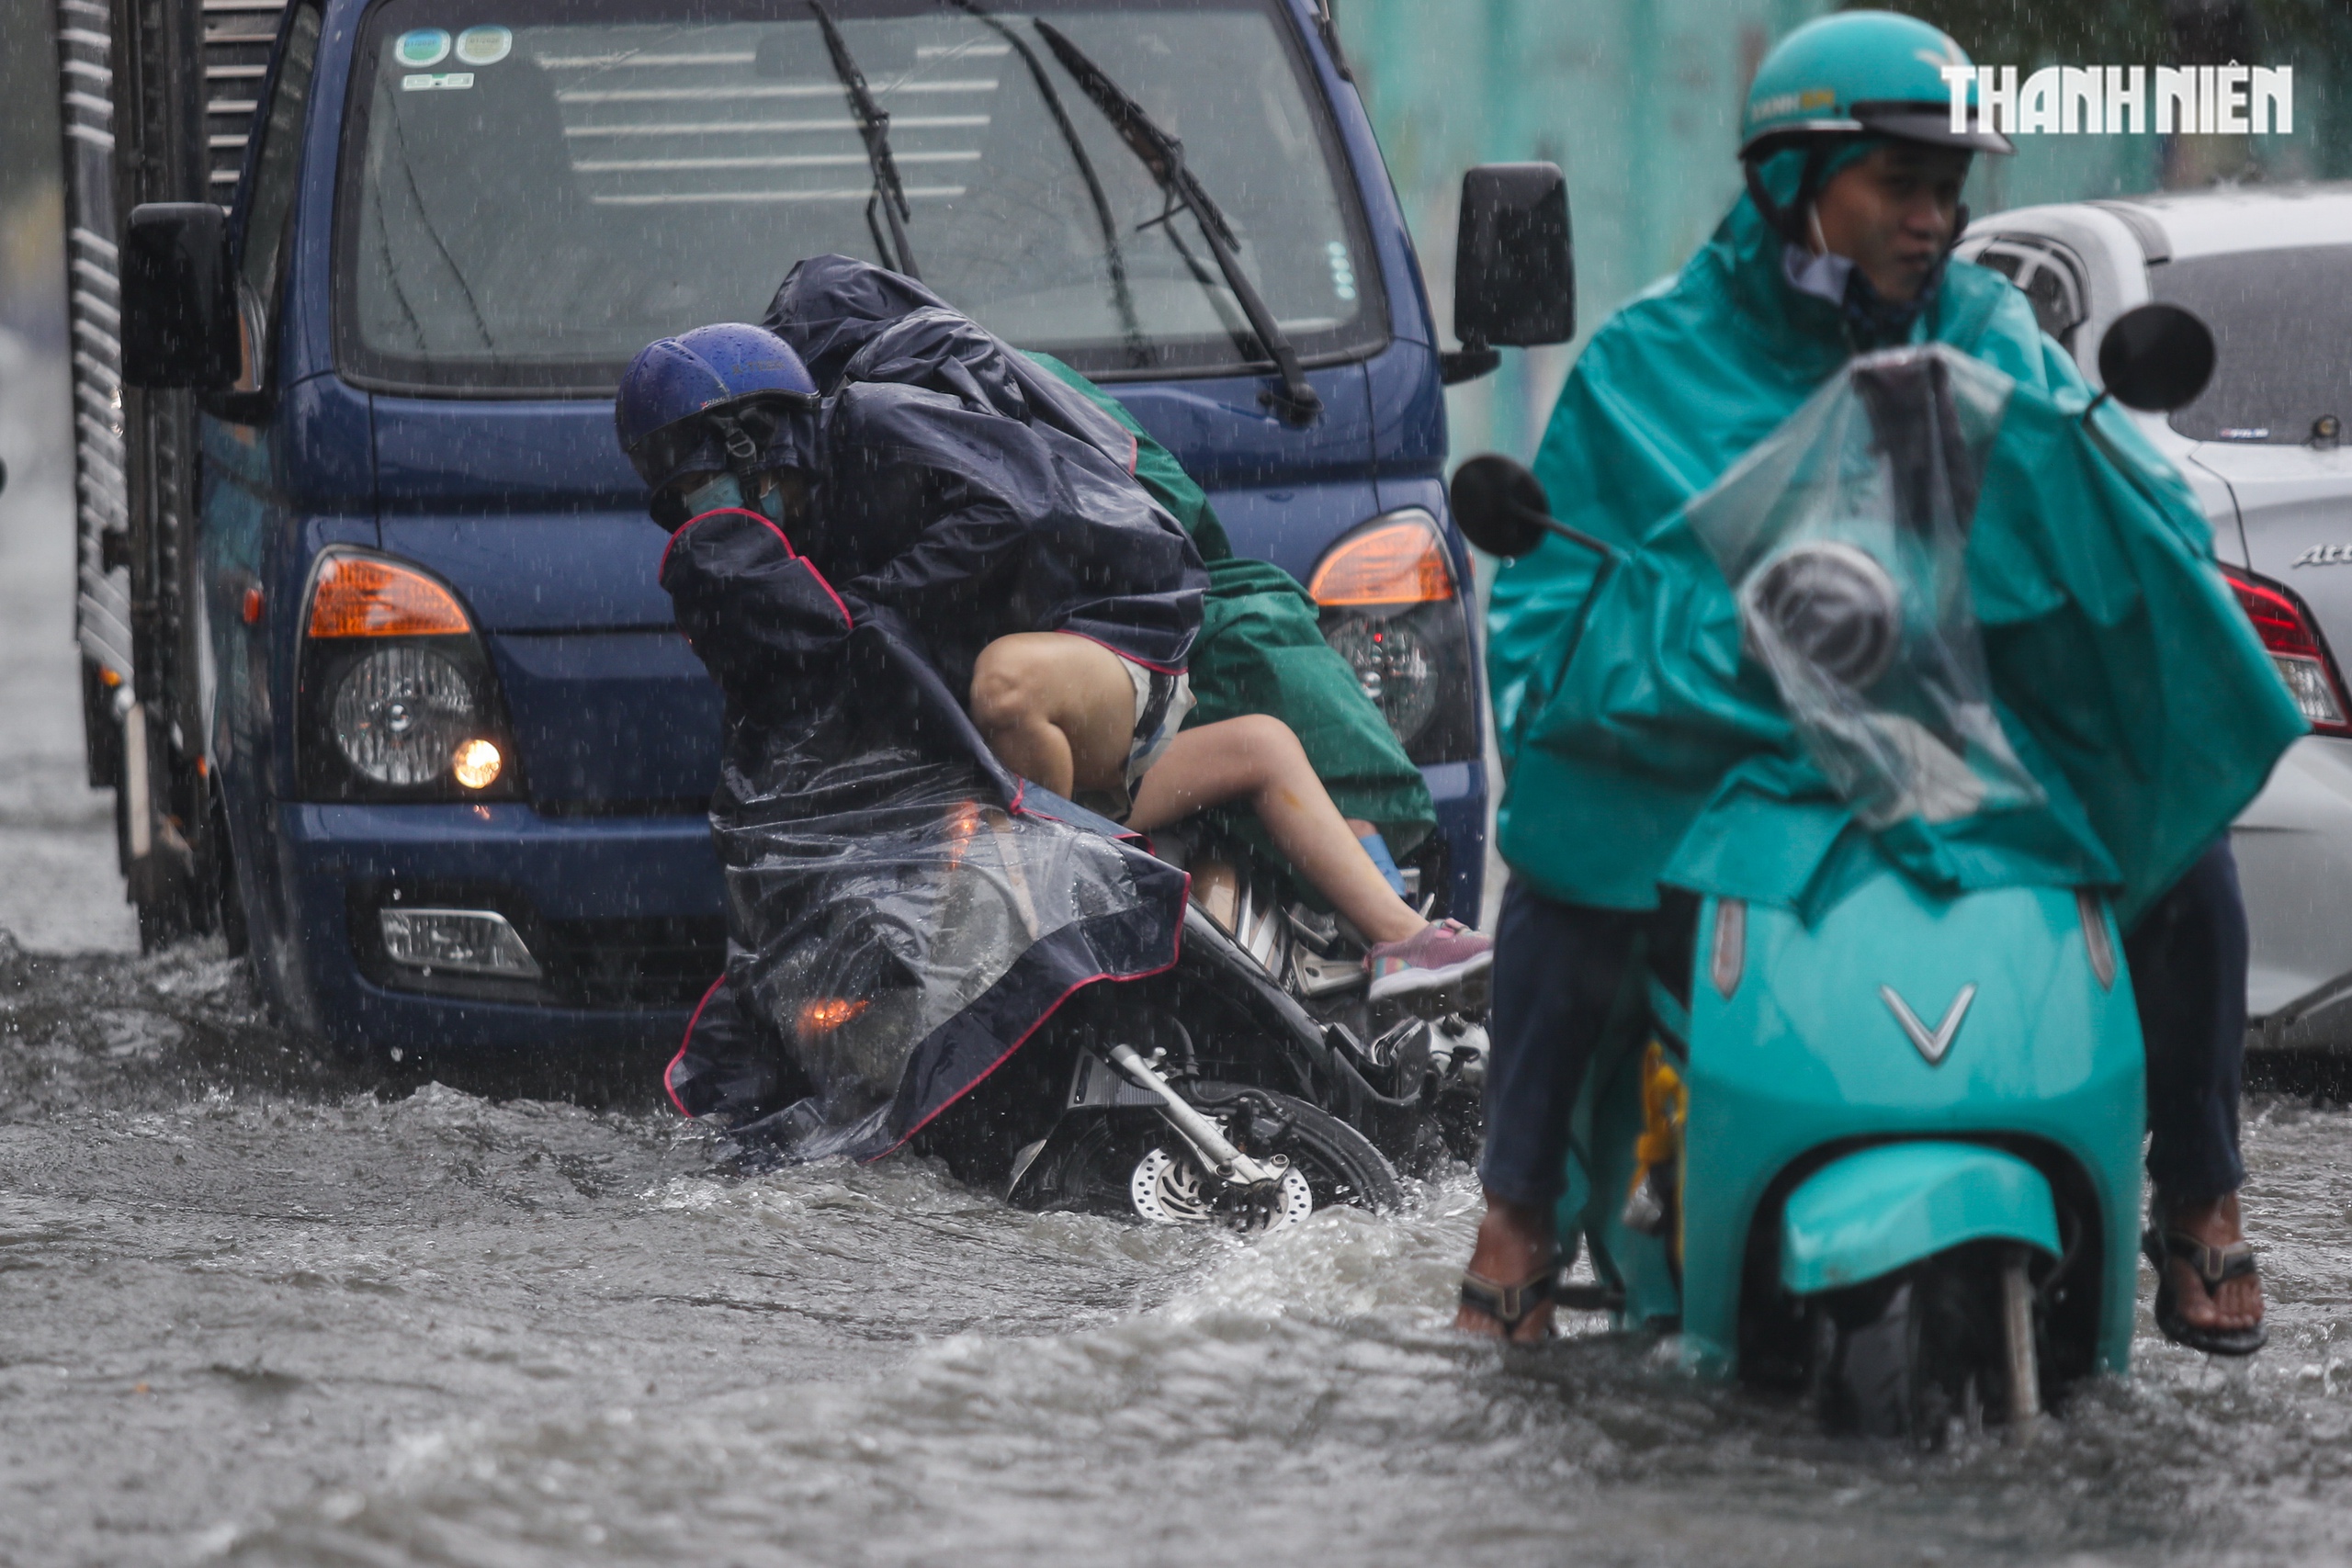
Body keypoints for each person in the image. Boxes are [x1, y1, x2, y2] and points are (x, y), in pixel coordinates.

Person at [1459, 10, 2287, 1349]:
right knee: (1567, 883)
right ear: (1792, 180)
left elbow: (2095, 503)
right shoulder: (1649, 362)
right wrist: (1685, 659)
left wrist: (2138, 541)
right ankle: (1517, 1223)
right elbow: (1555, 613)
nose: (1933, 219)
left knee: (2189, 851)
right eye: (1899, 183)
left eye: (1950, 190)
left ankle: (2198, 1191)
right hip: (1737, 764)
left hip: (1962, 753)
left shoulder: (1990, 328)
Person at [616, 317, 1490, 1005]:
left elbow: (1017, 511)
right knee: (1257, 745)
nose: (706, 508)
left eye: (707, 481)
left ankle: (1404, 941)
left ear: (749, 439)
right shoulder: (758, 569)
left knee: (1008, 683)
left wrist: (879, 601)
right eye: (683, 500)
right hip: (1024, 791)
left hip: (1091, 680)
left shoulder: (875, 429)